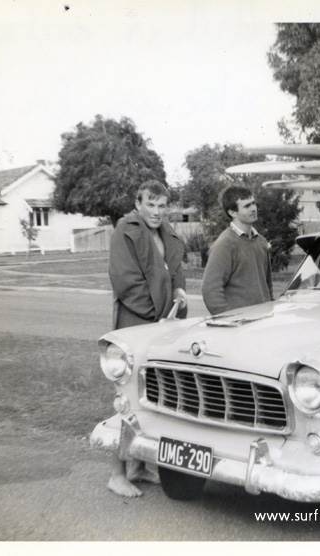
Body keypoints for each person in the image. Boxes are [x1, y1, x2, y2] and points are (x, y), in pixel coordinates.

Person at [107, 179, 188, 497]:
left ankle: (140, 466)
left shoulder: (166, 231)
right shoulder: (125, 230)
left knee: (154, 396)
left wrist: (180, 289)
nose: (157, 211)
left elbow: (175, 268)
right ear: (138, 204)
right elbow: (126, 282)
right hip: (138, 324)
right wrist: (157, 317)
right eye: (150, 204)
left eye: (162, 205)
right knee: (126, 399)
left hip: (163, 324)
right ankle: (116, 474)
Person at [202, 185, 273, 315]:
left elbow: (267, 285)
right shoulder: (224, 245)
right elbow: (210, 290)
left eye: (253, 203)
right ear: (232, 212)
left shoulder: (261, 242)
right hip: (239, 327)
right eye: (247, 206)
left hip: (263, 322)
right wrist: (229, 319)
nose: (253, 209)